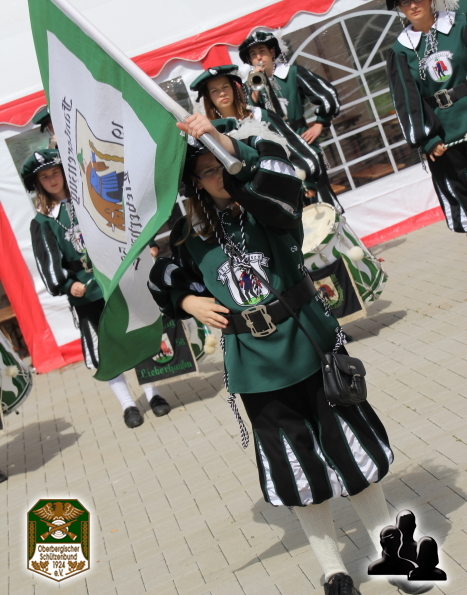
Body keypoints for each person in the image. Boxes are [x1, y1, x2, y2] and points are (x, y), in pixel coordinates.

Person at [147, 113, 402, 595]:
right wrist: (186, 301)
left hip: (310, 345)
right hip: (254, 365)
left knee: (351, 453)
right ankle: (333, 570)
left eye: (221, 162)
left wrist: (221, 142)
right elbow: (162, 277)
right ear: (195, 183)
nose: (218, 174)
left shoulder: (266, 201)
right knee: (295, 465)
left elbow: (280, 187)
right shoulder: (189, 235)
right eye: (207, 170)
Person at [21, 149, 170, 427]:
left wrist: (147, 245)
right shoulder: (43, 221)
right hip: (86, 292)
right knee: (106, 348)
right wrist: (68, 285)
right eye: (45, 177)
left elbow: (125, 222)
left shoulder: (91, 198)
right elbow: (48, 262)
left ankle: (153, 394)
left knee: (135, 334)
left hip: (117, 278)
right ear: (38, 183)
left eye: (55, 172)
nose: (52, 180)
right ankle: (127, 404)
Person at [385, 0, 467, 233]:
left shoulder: (460, 25)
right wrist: (427, 139)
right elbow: (406, 100)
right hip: (443, 134)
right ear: (399, 8)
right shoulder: (400, 51)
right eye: (405, 1)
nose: (413, 5)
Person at [238, 30, 343, 212]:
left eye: (262, 51)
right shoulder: (250, 86)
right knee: (294, 201)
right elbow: (247, 115)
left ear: (272, 52)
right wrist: (255, 87)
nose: (258, 58)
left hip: (303, 141)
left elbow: (327, 95)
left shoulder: (292, 73)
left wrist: (320, 123)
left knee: (321, 194)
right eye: (253, 55)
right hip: (275, 149)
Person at [190, 64, 321, 189]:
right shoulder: (211, 131)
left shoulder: (260, 116)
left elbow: (292, 147)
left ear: (234, 89)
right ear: (208, 97)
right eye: (214, 90)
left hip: (282, 185)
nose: (222, 93)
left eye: (225, 87)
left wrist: (307, 181)